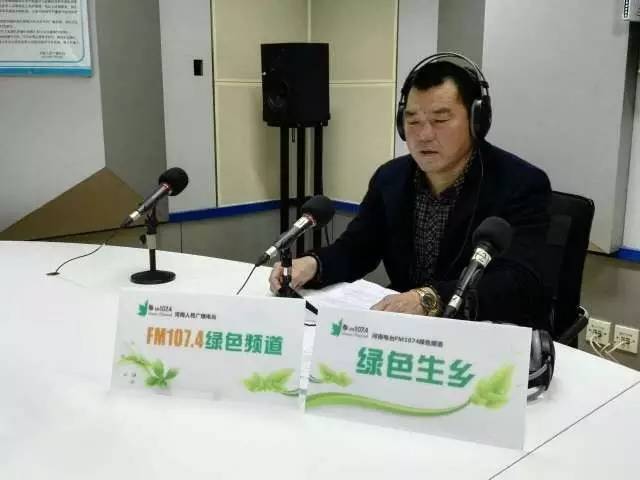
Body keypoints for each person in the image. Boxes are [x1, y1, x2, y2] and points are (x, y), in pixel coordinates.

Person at [269, 53, 552, 329]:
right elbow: (357, 249)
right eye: (413, 121)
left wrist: (428, 299)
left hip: (485, 332)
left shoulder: (520, 184)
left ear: (477, 121)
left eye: (440, 120)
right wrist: (314, 264)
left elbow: (518, 281)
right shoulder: (390, 178)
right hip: (406, 331)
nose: (424, 135)